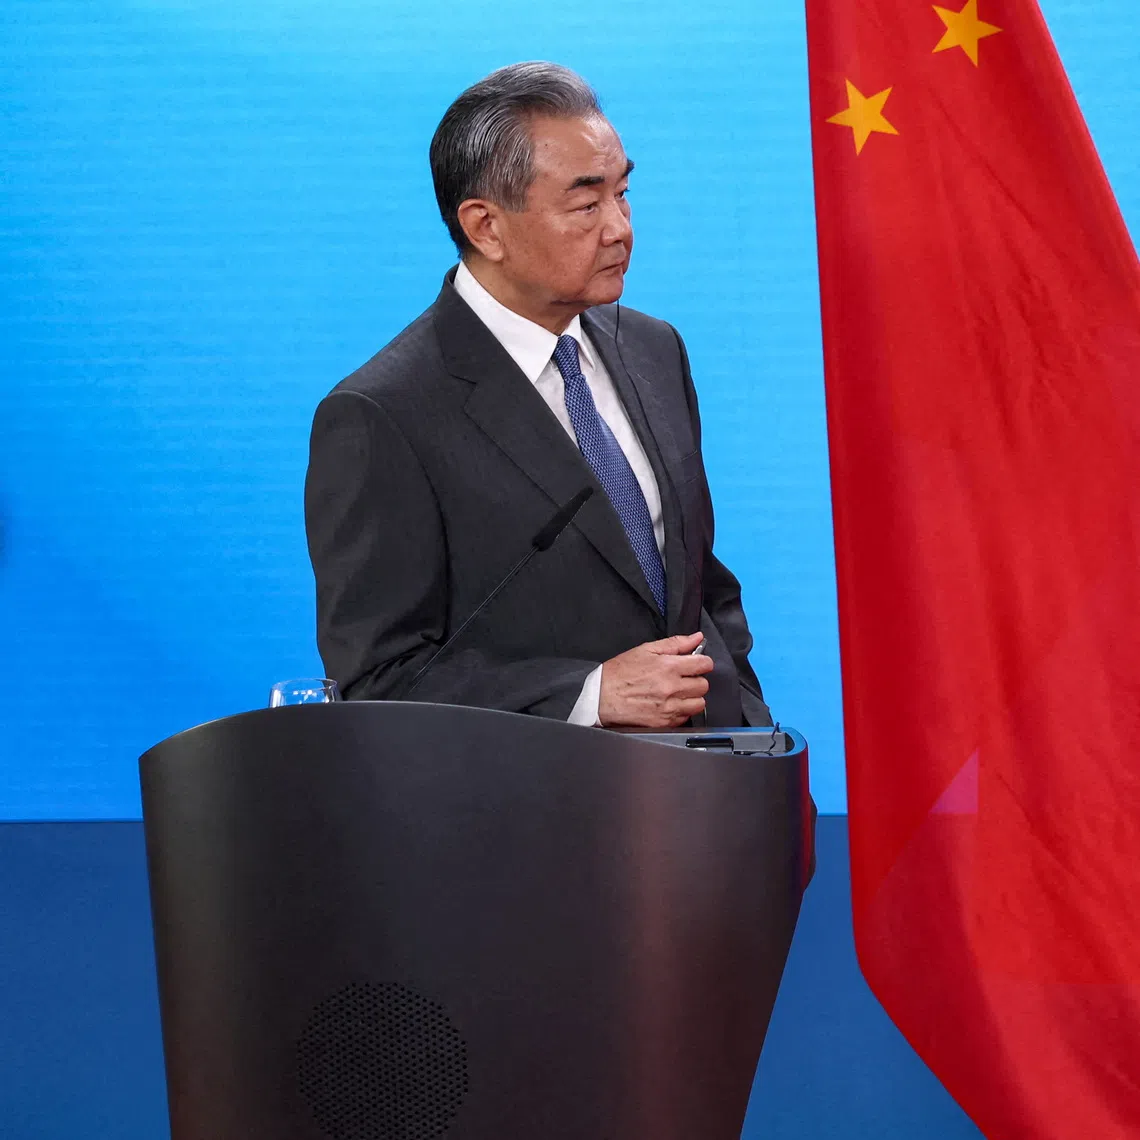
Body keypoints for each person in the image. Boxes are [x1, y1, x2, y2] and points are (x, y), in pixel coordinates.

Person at [304, 62, 771, 730]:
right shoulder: (383, 415)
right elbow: (379, 679)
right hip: (535, 810)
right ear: (486, 227)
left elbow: (703, 588)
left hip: (708, 795)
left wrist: (749, 724)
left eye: (624, 193)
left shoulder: (654, 349)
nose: (619, 228)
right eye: (586, 205)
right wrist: (589, 695)